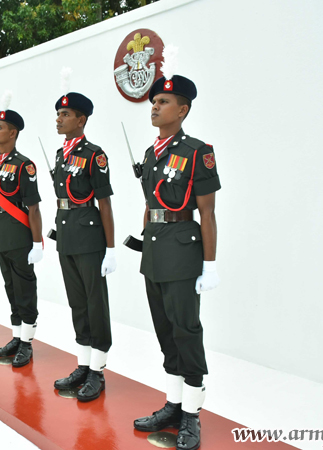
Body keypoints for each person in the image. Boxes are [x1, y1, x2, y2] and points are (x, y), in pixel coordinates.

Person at [132, 74, 221, 450]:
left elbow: (207, 212)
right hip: (154, 250)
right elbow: (151, 204)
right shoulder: (153, 153)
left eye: (164, 102)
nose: (155, 106)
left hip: (183, 251)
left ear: (182, 110)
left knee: (186, 330)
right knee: (165, 330)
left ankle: (192, 415)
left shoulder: (197, 151)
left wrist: (210, 263)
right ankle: (173, 403)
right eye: (153, 101)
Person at [49, 92, 116, 402]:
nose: (59, 119)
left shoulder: (94, 154)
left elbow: (104, 203)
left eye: (65, 114)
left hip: (89, 235)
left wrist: (111, 248)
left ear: (81, 119)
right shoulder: (61, 153)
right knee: (77, 302)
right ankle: (83, 364)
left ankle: (98, 371)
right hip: (67, 233)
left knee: (95, 303)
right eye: (58, 114)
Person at [0, 109, 43, 367]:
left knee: (24, 291)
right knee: (11, 289)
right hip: (1, 237)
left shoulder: (24, 164)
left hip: (20, 238)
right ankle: (17, 337)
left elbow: (33, 208)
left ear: (12, 132)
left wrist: (37, 241)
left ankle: (27, 343)